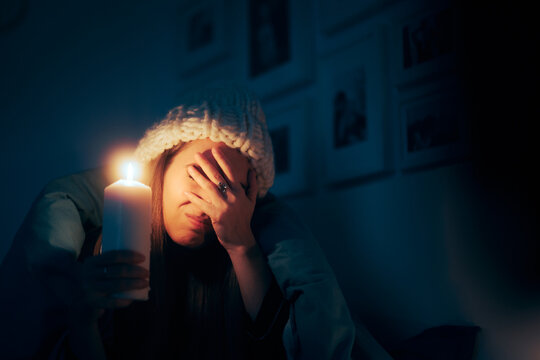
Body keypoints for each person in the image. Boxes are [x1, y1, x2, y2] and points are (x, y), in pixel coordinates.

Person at [0, 85, 356, 359]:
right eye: (199, 173)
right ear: (163, 167)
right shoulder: (107, 246)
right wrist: (83, 321)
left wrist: (240, 246)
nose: (212, 200)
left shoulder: (248, 258)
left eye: (230, 188)